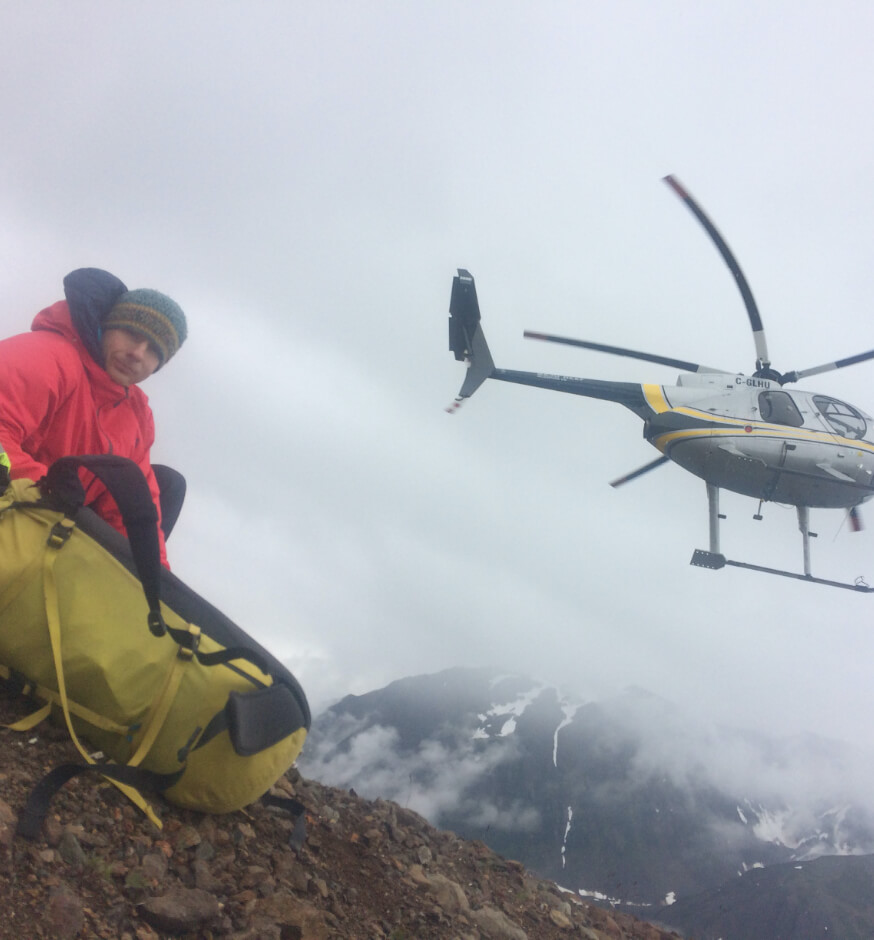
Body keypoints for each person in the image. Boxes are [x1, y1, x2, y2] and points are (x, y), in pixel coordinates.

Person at [0, 268, 187, 568]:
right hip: (18, 508)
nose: (138, 353)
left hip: (52, 526)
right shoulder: (49, 356)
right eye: (133, 334)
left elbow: (133, 508)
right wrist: (47, 489)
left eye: (154, 350)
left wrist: (157, 583)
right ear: (106, 327)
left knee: (167, 486)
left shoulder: (137, 416)